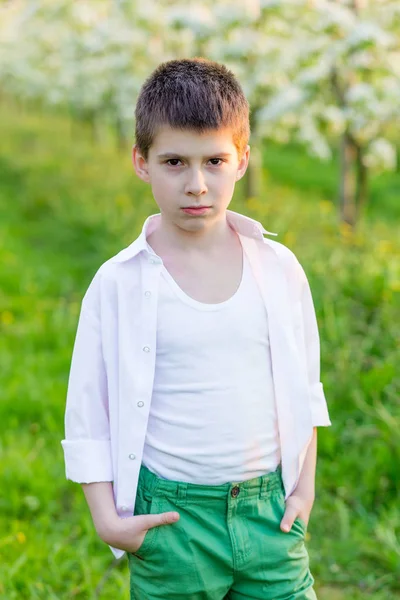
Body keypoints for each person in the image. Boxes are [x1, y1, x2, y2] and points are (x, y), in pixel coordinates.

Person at [61, 57, 332, 600]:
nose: (196, 184)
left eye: (214, 161)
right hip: (172, 522)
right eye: (174, 162)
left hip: (269, 516)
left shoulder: (279, 269)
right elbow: (89, 409)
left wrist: (303, 489)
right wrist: (107, 519)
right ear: (141, 162)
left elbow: (303, 387)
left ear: (242, 160)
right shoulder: (118, 283)